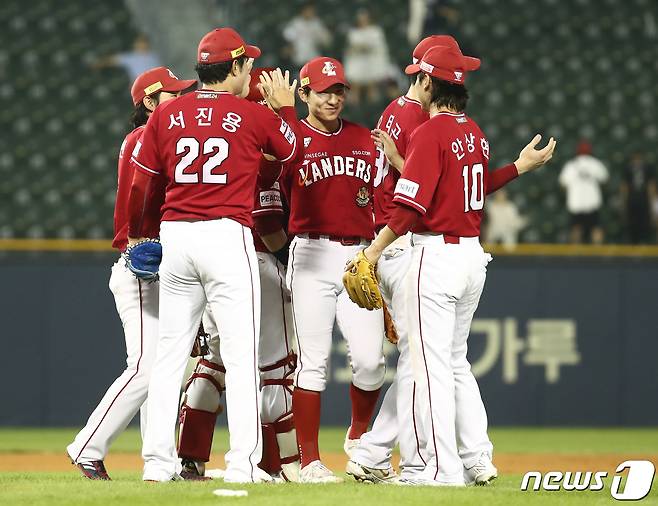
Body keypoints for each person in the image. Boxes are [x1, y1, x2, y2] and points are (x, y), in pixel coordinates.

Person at [345, 44, 555, 486]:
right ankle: (476, 458)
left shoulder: (429, 132)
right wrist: (519, 166)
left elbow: (411, 207)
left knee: (425, 365)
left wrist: (372, 250)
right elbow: (454, 191)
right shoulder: (473, 132)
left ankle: (432, 467)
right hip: (471, 256)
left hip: (432, 254)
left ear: (427, 82)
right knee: (450, 362)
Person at [127, 27, 302, 483]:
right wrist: (284, 108)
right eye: (247, 65)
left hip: (177, 236)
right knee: (242, 355)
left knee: (170, 355)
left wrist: (139, 235)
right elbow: (292, 152)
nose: (250, 73)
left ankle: (157, 464)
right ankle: (242, 464)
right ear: (237, 68)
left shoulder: (167, 114)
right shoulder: (249, 114)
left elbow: (142, 181)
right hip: (227, 235)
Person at [66, 67, 196, 480]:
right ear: (150, 103)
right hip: (140, 267)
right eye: (172, 95)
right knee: (147, 366)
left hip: (156, 267)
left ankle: (162, 460)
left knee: (163, 367)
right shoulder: (147, 138)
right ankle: (87, 447)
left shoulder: (143, 138)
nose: (180, 99)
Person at [175, 69, 300, 483]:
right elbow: (269, 220)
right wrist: (286, 112)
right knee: (273, 369)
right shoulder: (255, 130)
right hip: (251, 262)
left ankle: (188, 458)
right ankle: (280, 466)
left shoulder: (222, 127)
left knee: (213, 364)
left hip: (198, 250)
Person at [281, 56, 386, 483]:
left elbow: (382, 200)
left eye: (339, 90)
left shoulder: (365, 139)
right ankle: (308, 462)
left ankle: (359, 439)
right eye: (324, 90)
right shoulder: (292, 138)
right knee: (313, 364)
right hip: (310, 253)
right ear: (304, 93)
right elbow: (275, 180)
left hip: (359, 255)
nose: (333, 97)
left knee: (371, 362)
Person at [558, 140, 608, 244]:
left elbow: (562, 184)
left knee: (576, 229)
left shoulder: (571, 165)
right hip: (592, 202)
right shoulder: (595, 163)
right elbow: (605, 179)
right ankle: (598, 254)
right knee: (596, 228)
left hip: (576, 203)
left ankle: (575, 255)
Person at [343, 9, 393, 104]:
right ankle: (354, 105)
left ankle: (373, 107)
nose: (363, 21)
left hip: (372, 61)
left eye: (365, 18)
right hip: (357, 61)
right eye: (361, 19)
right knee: (354, 73)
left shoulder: (376, 31)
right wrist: (359, 48)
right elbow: (350, 50)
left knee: (372, 84)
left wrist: (366, 47)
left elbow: (380, 48)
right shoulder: (353, 33)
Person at [92, 34, 163, 82]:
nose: (141, 45)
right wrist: (98, 64)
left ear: (147, 44)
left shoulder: (153, 56)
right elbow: (113, 60)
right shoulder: (130, 57)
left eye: (143, 43)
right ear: (136, 45)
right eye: (139, 43)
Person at [621, 152, 656, 244]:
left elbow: (651, 186)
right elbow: (625, 187)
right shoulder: (628, 168)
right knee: (635, 225)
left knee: (643, 224)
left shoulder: (647, 168)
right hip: (634, 200)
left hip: (641, 200)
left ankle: (642, 243)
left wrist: (652, 202)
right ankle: (636, 243)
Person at [281, 3, 332, 67]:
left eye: (312, 11)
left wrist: (324, 41)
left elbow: (326, 39)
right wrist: (290, 47)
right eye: (308, 11)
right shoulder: (296, 22)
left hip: (313, 57)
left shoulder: (317, 23)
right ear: (303, 11)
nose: (310, 13)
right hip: (298, 57)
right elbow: (287, 36)